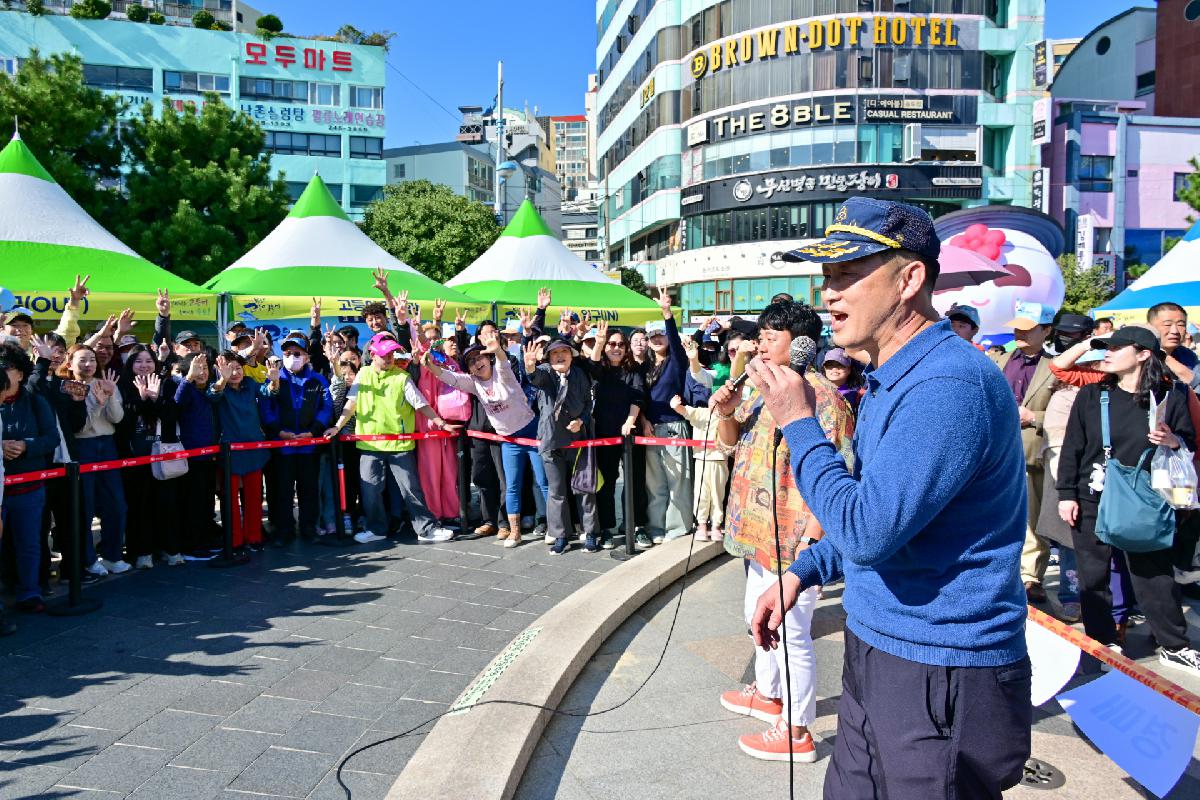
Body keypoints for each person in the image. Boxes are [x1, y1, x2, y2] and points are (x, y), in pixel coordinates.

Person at [747, 197, 1032, 797]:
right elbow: (877, 507)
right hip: (881, 645)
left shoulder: (946, 384)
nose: (829, 294)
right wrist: (806, 570)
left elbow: (868, 529)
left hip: (943, 666)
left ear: (909, 279)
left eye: (847, 275)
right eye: (826, 277)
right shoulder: (888, 373)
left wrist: (799, 422)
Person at [709, 300, 855, 762]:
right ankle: (769, 693)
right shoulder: (756, 388)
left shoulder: (823, 402)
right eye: (762, 336)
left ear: (802, 345)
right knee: (757, 616)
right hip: (755, 533)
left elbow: (837, 479)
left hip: (794, 544)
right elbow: (731, 444)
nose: (762, 345)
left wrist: (812, 544)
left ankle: (796, 728)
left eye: (773, 337)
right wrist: (729, 410)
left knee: (792, 632)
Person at [1057, 326, 1200, 675]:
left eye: (1116, 347)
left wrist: (1171, 441)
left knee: (1153, 575)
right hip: (1091, 496)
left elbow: (1189, 443)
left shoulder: (1169, 396)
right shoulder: (1091, 395)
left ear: (1143, 354)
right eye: (1105, 347)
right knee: (1092, 576)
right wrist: (1065, 495)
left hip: (1145, 500)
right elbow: (1073, 447)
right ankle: (1102, 643)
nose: (1106, 352)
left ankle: (1174, 645)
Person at [324, 332, 457, 544]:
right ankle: (376, 529)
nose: (389, 358)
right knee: (369, 492)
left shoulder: (402, 377)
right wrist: (338, 427)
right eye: (385, 355)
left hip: (399, 444)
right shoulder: (363, 374)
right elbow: (351, 403)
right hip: (369, 444)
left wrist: (441, 423)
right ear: (373, 354)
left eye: (392, 354)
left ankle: (426, 529)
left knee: (411, 489)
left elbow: (420, 404)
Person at [423, 329, 546, 548]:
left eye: (479, 357)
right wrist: (429, 365)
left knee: (544, 483)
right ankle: (514, 531)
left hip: (531, 432)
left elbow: (503, 363)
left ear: (487, 357)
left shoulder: (502, 373)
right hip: (508, 439)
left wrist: (497, 349)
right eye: (470, 361)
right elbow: (449, 377)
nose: (476, 363)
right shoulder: (473, 383)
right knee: (512, 485)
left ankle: (556, 528)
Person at [988, 300, 1057, 605]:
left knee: (1031, 517)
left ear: (1046, 331)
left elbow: (1066, 413)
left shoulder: (1055, 368)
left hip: (1033, 450)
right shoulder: (998, 360)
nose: (1020, 333)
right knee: (993, 515)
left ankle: (1030, 577)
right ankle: (997, 572)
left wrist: (1033, 417)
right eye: (1017, 327)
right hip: (995, 451)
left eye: (1028, 329)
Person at [58, 345, 129, 576]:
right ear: (70, 363)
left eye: (91, 359)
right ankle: (89, 560)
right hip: (83, 446)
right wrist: (97, 405)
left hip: (108, 445)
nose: (88, 364)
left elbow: (117, 418)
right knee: (84, 507)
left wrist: (109, 396)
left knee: (116, 505)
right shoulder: (67, 388)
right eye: (82, 360)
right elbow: (79, 427)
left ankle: (113, 555)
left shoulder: (105, 382)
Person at [524, 338, 600, 554]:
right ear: (548, 357)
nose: (560, 356)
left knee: (585, 488)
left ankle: (591, 532)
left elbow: (588, 402)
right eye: (554, 352)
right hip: (551, 440)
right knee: (556, 491)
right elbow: (535, 378)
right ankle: (560, 535)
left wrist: (582, 421)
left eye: (564, 352)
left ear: (571, 355)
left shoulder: (579, 374)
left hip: (578, 438)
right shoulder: (546, 372)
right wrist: (530, 365)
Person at [0, 343, 58, 613]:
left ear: (21, 373)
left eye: (8, 367)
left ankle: (30, 593)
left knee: (30, 544)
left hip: (29, 488)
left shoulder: (35, 401)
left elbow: (51, 439)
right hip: (2, 490)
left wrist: (25, 445)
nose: (3, 371)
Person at [260, 332, 331, 546]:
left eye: (297, 353)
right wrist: (278, 431)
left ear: (307, 357)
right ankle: (284, 530)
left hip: (309, 444)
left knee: (309, 489)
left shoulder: (318, 380)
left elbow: (326, 407)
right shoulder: (275, 378)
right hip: (283, 446)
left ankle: (309, 527)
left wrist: (315, 430)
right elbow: (266, 407)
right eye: (288, 353)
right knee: (283, 490)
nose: (293, 356)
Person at [116, 345, 183, 569]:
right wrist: (142, 400)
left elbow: (172, 415)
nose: (144, 365)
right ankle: (142, 551)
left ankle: (170, 548)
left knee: (167, 504)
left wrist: (155, 399)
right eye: (138, 361)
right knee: (139, 505)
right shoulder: (122, 385)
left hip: (163, 456)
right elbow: (121, 420)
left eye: (148, 360)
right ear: (130, 364)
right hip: (135, 458)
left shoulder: (167, 384)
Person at [641, 286, 694, 547]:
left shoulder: (677, 361)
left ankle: (679, 527)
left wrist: (667, 314)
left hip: (675, 427)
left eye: (660, 334)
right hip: (651, 430)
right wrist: (643, 421)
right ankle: (656, 526)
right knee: (655, 484)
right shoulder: (646, 367)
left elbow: (674, 341)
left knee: (679, 483)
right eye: (652, 336)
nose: (657, 338)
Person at [584, 321, 643, 549]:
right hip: (605, 434)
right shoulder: (601, 371)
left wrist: (630, 421)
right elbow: (593, 365)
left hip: (629, 434)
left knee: (634, 481)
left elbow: (637, 398)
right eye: (611, 344)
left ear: (626, 348)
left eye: (620, 344)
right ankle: (607, 529)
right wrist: (598, 343)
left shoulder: (633, 370)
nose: (616, 348)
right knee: (606, 483)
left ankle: (635, 526)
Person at [209, 352, 272, 553]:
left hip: (254, 447)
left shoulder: (250, 383)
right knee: (229, 499)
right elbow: (212, 394)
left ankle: (254, 537)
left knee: (254, 497)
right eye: (229, 367)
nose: (234, 372)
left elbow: (268, 392)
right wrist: (222, 378)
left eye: (238, 367)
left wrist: (274, 381)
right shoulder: (220, 385)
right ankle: (234, 541)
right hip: (229, 451)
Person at [414, 336, 472, 525]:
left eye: (437, 339)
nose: (435, 343)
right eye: (430, 340)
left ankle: (451, 511)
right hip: (429, 424)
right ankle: (433, 513)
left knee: (449, 471)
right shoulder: (422, 361)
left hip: (450, 424)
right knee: (430, 473)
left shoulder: (450, 362)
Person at [173, 351, 220, 558]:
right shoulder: (185, 388)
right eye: (197, 368)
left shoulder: (209, 391)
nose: (202, 372)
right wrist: (189, 377)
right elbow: (177, 403)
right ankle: (191, 546)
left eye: (205, 368)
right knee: (192, 504)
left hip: (209, 457)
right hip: (190, 458)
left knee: (207, 503)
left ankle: (205, 539)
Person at [668, 392, 727, 543]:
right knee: (701, 493)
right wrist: (676, 406)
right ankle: (701, 525)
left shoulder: (727, 416)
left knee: (717, 494)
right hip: (701, 459)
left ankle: (716, 525)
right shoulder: (702, 413)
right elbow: (686, 411)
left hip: (719, 460)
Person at [819, 348, 865, 414]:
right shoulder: (817, 392)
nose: (834, 368)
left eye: (840, 365)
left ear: (849, 370)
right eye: (829, 365)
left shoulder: (857, 395)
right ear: (824, 369)